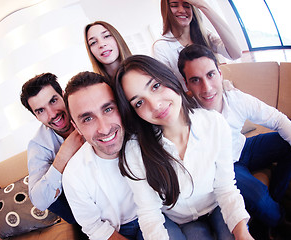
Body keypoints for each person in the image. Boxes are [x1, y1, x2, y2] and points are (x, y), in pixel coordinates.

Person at [114, 55, 252, 240]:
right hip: (181, 220)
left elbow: (226, 187)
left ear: (169, 78)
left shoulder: (214, 124)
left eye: (155, 86)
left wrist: (243, 233)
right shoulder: (135, 151)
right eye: (139, 102)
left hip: (216, 205)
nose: (155, 105)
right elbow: (149, 213)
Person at [178, 44, 291, 238]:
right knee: (257, 195)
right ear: (186, 84)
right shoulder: (184, 114)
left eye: (211, 75)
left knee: (287, 141)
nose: (207, 88)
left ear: (221, 74)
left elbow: (278, 120)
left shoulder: (236, 99)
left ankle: (276, 200)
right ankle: (281, 224)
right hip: (224, 166)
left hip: (244, 147)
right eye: (195, 80)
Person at [61, 71, 143, 240]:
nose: (104, 129)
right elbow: (95, 227)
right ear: (76, 127)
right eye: (87, 119)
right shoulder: (73, 176)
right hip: (115, 231)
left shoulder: (144, 141)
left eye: (108, 109)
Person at [20, 73, 84, 224]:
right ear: (36, 117)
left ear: (63, 95)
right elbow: (40, 202)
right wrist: (64, 155)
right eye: (40, 110)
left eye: (53, 101)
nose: (52, 114)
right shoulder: (38, 144)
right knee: (48, 190)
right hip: (82, 208)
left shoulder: (86, 109)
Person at [153, 0, 242, 91]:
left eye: (187, 6)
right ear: (166, 10)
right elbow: (170, 89)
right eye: (174, 5)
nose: (182, 10)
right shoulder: (161, 47)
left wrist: (203, 5)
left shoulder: (205, 35)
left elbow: (235, 54)